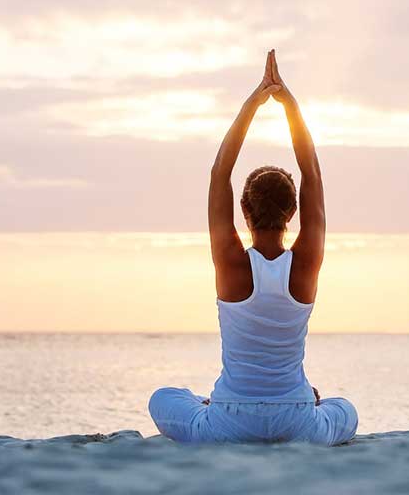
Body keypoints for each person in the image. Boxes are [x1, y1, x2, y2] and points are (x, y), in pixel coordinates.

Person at [148, 49, 358, 446]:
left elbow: (219, 172)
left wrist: (254, 102)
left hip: (230, 420)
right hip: (297, 420)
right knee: (346, 409)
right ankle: (309, 400)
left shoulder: (230, 263)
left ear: (243, 209)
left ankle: (209, 403)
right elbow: (311, 170)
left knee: (162, 399)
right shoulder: (305, 264)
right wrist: (289, 105)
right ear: (293, 212)